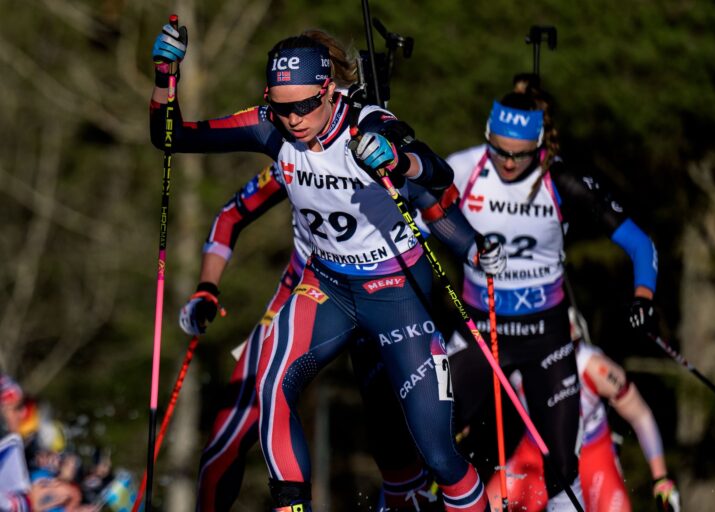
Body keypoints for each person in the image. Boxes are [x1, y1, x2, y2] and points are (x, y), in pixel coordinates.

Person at [150, 22, 505, 511]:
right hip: (329, 284)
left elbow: (436, 172)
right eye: (280, 106)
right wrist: (165, 74)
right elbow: (171, 137)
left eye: (303, 106)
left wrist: (398, 160)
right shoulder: (270, 127)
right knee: (272, 384)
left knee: (439, 455)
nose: (292, 119)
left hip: (397, 290)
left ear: (329, 90)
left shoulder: (365, 121)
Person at [444, 77, 660, 510]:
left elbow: (642, 245)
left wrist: (643, 295)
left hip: (547, 338)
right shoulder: (465, 167)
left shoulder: (561, 179)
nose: (506, 163)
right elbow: (410, 211)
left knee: (562, 464)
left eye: (519, 154)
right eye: (499, 150)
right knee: (433, 443)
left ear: (539, 146)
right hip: (481, 335)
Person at [485, 308, 680, 511]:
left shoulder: (596, 370)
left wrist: (661, 479)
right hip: (535, 453)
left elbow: (641, 415)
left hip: (592, 455)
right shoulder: (516, 359)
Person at [1, 375, 81, 512]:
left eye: (23, 406)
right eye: (15, 409)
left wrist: (67, 474)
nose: (23, 414)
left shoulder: (36, 439)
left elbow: (72, 466)